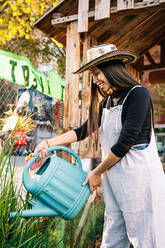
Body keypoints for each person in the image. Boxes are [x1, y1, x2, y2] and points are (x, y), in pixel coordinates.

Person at [34, 44, 165, 248]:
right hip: (115, 179)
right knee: (112, 238)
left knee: (147, 239)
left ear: (111, 68)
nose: (95, 80)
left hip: (140, 180)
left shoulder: (138, 95)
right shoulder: (108, 102)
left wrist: (96, 172)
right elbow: (83, 131)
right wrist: (48, 142)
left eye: (96, 73)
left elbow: (125, 143)